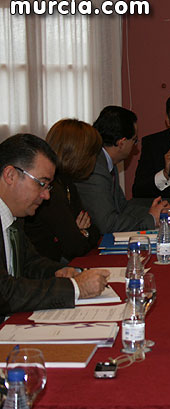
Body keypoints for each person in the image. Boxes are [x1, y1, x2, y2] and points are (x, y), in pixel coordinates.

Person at [0, 134, 109, 320]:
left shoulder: (15, 217)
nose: (46, 196)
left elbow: (30, 263)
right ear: (10, 175)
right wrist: (76, 288)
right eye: (41, 184)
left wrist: (61, 272)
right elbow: (5, 292)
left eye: (48, 187)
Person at [76, 106, 170, 234]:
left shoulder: (108, 161)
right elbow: (108, 224)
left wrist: (157, 212)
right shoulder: (95, 168)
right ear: (121, 143)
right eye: (134, 140)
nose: (135, 146)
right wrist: (151, 219)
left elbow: (122, 207)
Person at [25, 119, 102, 263]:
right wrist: (83, 233)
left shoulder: (67, 183)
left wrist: (83, 233)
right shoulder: (51, 191)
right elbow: (75, 247)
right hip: (46, 267)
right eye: (93, 154)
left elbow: (95, 230)